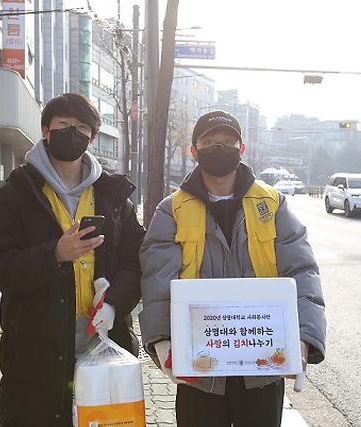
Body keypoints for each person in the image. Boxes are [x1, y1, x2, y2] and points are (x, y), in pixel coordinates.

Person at [139, 110, 326, 427]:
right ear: (194, 151)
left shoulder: (272, 203)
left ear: (242, 149)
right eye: (209, 142)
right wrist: (162, 341)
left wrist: (304, 338)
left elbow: (302, 271)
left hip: (263, 366)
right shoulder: (172, 208)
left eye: (228, 142)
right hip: (200, 369)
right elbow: (158, 278)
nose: (219, 148)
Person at [0, 93, 145, 426]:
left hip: (103, 348)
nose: (73, 133)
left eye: (82, 127)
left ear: (92, 138)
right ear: (45, 130)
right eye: (63, 125)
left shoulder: (112, 196)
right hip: (35, 352)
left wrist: (114, 305)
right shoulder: (17, 194)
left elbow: (136, 260)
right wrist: (54, 254)